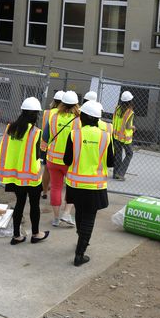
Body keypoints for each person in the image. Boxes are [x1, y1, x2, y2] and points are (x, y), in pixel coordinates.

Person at [63, 100, 115, 266]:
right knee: (89, 217)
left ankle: (81, 240)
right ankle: (80, 252)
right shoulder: (106, 137)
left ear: (84, 117)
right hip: (95, 185)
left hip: (75, 184)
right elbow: (111, 162)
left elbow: (67, 159)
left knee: (79, 212)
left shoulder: (74, 134)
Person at [0, 97, 50, 245]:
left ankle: (16, 236)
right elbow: (38, 154)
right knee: (34, 205)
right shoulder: (35, 132)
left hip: (15, 175)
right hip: (31, 176)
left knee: (19, 203)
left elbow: (5, 150)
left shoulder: (10, 128)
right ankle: (36, 234)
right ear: (34, 115)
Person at [43, 90, 79, 227]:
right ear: (76, 105)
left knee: (56, 188)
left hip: (53, 159)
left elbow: (45, 137)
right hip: (70, 161)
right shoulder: (78, 121)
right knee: (71, 188)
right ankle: (66, 214)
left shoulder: (54, 117)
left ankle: (56, 218)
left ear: (62, 103)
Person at [39, 91, 64, 199]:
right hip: (56, 146)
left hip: (45, 145)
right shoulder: (62, 114)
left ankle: (44, 192)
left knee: (46, 170)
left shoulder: (46, 112)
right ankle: (53, 189)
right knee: (57, 172)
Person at [111, 91, 135, 180]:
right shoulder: (130, 112)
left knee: (118, 154)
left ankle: (115, 173)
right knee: (129, 153)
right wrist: (133, 127)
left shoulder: (117, 108)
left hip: (116, 136)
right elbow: (128, 126)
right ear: (130, 101)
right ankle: (120, 174)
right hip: (125, 138)